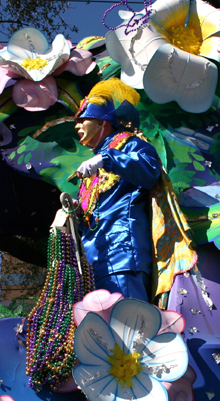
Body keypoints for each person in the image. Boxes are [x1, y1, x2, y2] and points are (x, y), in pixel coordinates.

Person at [63, 78, 163, 301]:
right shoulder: (92, 166)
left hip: (122, 253)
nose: (77, 126)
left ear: (103, 121)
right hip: (94, 261)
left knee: (132, 323)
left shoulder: (128, 144)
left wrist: (107, 159)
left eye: (83, 120)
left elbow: (149, 169)